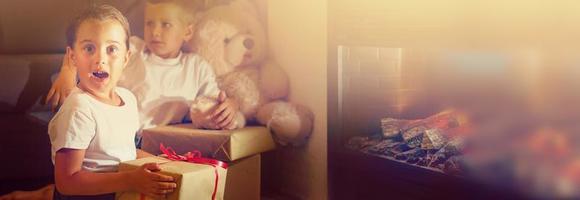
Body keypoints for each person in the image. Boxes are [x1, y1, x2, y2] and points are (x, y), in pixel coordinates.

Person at [46, 4, 176, 200]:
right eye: (89, 48)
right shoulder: (79, 108)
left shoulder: (128, 99)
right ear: (73, 57)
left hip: (121, 192)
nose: (100, 59)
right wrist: (131, 180)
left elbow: (124, 151)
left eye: (111, 49)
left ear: (126, 57)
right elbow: (67, 181)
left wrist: (165, 165)